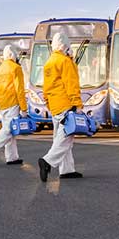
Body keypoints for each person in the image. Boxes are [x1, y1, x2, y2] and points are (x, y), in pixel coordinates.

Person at [37, 32, 83, 181]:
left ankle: (67, 170)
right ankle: (47, 161)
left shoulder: (49, 62)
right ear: (66, 45)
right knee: (66, 138)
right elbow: (71, 85)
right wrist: (77, 104)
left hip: (55, 106)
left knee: (60, 138)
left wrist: (48, 103)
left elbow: (46, 88)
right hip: (66, 105)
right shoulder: (65, 61)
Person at [0, 44, 28, 167]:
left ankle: (12, 157)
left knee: (10, 130)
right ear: (14, 54)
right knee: (8, 130)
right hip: (13, 102)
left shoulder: (0, 69)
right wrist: (24, 108)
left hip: (3, 103)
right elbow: (19, 90)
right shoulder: (16, 68)